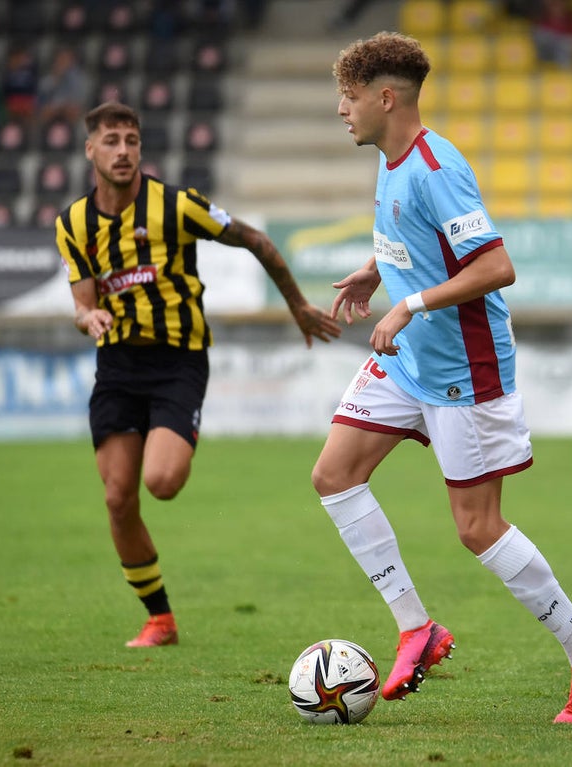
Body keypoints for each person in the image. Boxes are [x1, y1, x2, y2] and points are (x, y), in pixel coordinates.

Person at [314, 32, 572, 724]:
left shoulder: (434, 165)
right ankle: (416, 627)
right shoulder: (392, 160)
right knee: (334, 474)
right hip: (409, 359)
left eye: (350, 95)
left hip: (463, 369)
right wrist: (380, 270)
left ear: (385, 98)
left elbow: (495, 267)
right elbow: (419, 240)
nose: (342, 108)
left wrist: (410, 300)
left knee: (478, 527)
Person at [54, 101, 342, 648]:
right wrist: (85, 315)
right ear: (90, 149)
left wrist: (298, 304)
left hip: (178, 361)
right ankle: (159, 618)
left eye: (132, 140)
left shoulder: (178, 206)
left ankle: (176, 433)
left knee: (162, 483)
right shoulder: (73, 223)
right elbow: (82, 301)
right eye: (111, 140)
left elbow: (256, 239)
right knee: (118, 498)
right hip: (116, 365)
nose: (123, 151)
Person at [37, 47, 87, 128]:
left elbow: (77, 108)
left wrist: (62, 108)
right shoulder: (46, 82)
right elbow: (42, 109)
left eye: (67, 60)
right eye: (61, 59)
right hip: (51, 117)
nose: (64, 63)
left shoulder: (79, 81)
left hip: (70, 117)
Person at [531, 0, 572, 68]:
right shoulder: (540, 21)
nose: (557, 5)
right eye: (554, 3)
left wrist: (560, 43)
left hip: (566, 58)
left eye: (560, 2)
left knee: (564, 47)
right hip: (546, 57)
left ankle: (564, 76)